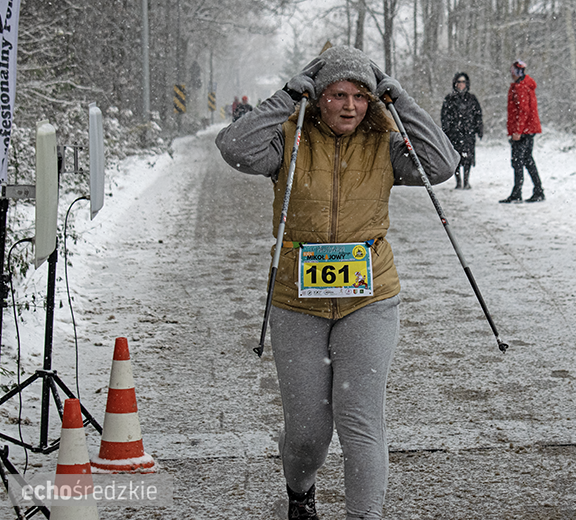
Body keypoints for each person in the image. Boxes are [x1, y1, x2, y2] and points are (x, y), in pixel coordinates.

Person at [215, 45, 458, 520]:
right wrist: (288, 96)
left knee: (360, 424)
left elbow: (443, 163)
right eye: (338, 93)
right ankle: (300, 489)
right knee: (308, 433)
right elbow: (234, 148)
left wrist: (399, 99)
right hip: (296, 300)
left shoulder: (385, 141)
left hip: (369, 299)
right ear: (318, 96)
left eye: (361, 96)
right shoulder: (287, 139)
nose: (350, 105)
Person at [500, 59, 544, 203]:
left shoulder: (521, 87)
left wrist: (517, 131)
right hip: (528, 129)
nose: (511, 74)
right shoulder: (525, 85)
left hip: (524, 131)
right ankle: (537, 190)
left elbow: (523, 111)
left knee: (518, 161)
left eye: (512, 71)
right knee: (527, 160)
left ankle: (517, 193)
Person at [440, 72, 483, 189]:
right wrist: (447, 130)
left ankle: (466, 181)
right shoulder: (449, 99)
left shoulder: (472, 99)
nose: (461, 84)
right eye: (459, 82)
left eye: (463, 82)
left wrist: (479, 129)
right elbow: (444, 116)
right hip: (454, 134)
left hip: (468, 133)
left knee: (468, 157)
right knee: (456, 158)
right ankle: (458, 182)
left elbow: (478, 115)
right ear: (455, 83)